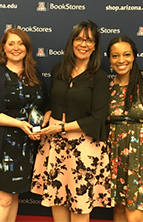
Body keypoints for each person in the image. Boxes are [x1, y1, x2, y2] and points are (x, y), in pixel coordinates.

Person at [31, 20, 111, 222]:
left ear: (95, 46)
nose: (83, 44)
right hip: (55, 145)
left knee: (80, 206)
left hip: (85, 147)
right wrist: (48, 113)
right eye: (79, 39)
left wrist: (62, 127)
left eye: (89, 40)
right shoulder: (59, 70)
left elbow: (99, 117)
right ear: (72, 41)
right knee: (56, 200)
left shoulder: (99, 77)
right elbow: (54, 101)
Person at [0, 28, 45, 222]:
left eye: (21, 43)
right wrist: (19, 124)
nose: (16, 48)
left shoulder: (34, 75)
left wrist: (38, 127)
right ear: (3, 48)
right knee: (4, 199)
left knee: (14, 195)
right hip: (2, 145)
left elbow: (43, 106)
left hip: (27, 145)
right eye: (11, 44)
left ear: (27, 48)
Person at [106, 36, 143, 222]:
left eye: (126, 55)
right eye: (115, 56)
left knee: (134, 217)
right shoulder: (108, 88)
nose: (121, 60)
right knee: (119, 211)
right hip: (114, 157)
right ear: (110, 59)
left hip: (142, 159)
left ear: (134, 56)